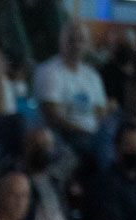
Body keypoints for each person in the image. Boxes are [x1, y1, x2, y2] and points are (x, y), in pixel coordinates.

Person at [33, 22, 105, 158]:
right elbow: (52, 116)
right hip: (62, 135)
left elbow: (100, 111)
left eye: (81, 40)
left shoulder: (92, 75)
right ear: (62, 41)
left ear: (88, 44)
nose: (76, 44)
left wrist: (95, 131)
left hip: (92, 135)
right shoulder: (49, 71)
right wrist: (84, 130)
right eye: (71, 39)